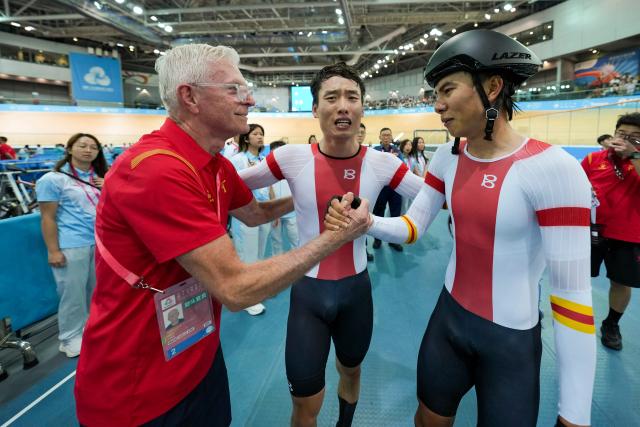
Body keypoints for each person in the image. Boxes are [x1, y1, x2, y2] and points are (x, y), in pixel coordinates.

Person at [73, 44, 371, 427]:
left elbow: (255, 213)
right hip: (138, 386)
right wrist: (336, 236)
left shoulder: (212, 164)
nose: (248, 99)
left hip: (197, 356)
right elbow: (236, 288)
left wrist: (311, 194)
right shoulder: (155, 170)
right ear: (189, 96)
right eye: (233, 89)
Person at [327, 29, 596, 427]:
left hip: (511, 342)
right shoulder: (448, 158)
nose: (437, 105)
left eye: (446, 90)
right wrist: (366, 223)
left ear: (492, 86)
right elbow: (413, 226)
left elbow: (572, 295)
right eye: (435, 94)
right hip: (448, 325)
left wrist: (575, 415)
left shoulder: (554, 170)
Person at [237, 62, 423, 427]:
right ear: (314, 110)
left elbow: (437, 198)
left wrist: (373, 224)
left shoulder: (383, 163)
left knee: (350, 372)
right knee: (305, 401)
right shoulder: (290, 157)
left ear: (362, 108)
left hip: (356, 293)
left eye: (352, 97)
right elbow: (229, 184)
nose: (343, 106)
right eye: (332, 97)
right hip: (308, 296)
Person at [35, 133, 108, 358]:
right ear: (69, 149)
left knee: (97, 292)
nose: (88, 150)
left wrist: (108, 185)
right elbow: (47, 218)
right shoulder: (53, 179)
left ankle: (91, 329)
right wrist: (53, 250)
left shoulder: (101, 176)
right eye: (82, 146)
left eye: (93, 147)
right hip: (71, 245)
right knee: (72, 294)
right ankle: (69, 338)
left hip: (99, 243)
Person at [582, 112, 640, 351]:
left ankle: (611, 324)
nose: (626, 139)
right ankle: (569, 320)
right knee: (575, 279)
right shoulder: (594, 159)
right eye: (622, 134)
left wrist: (634, 154)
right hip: (588, 232)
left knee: (620, 282)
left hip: (628, 235)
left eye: (636, 137)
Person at [231, 124, 271, 315]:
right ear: (246, 138)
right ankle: (247, 299)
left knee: (259, 255)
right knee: (247, 255)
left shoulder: (264, 160)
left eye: (262, 134)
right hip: (246, 215)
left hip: (264, 214)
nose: (260, 137)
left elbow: (269, 186)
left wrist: (273, 210)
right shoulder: (238, 160)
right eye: (255, 134)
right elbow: (232, 188)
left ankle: (256, 289)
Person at [372, 127, 404, 252]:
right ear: (379, 137)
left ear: (391, 137)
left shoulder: (397, 150)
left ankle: (393, 241)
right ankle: (377, 239)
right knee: (378, 214)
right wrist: (388, 159)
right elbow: (374, 168)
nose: (386, 137)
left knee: (395, 215)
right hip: (381, 189)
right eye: (384, 135)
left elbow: (401, 167)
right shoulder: (375, 151)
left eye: (388, 135)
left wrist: (392, 159)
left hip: (395, 189)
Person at [268, 140, 299, 255]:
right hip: (274, 210)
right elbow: (268, 189)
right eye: (274, 153)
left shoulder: (294, 169)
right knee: (276, 241)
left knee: (295, 240)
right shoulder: (267, 169)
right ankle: (277, 267)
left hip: (291, 211)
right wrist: (273, 211)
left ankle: (297, 268)